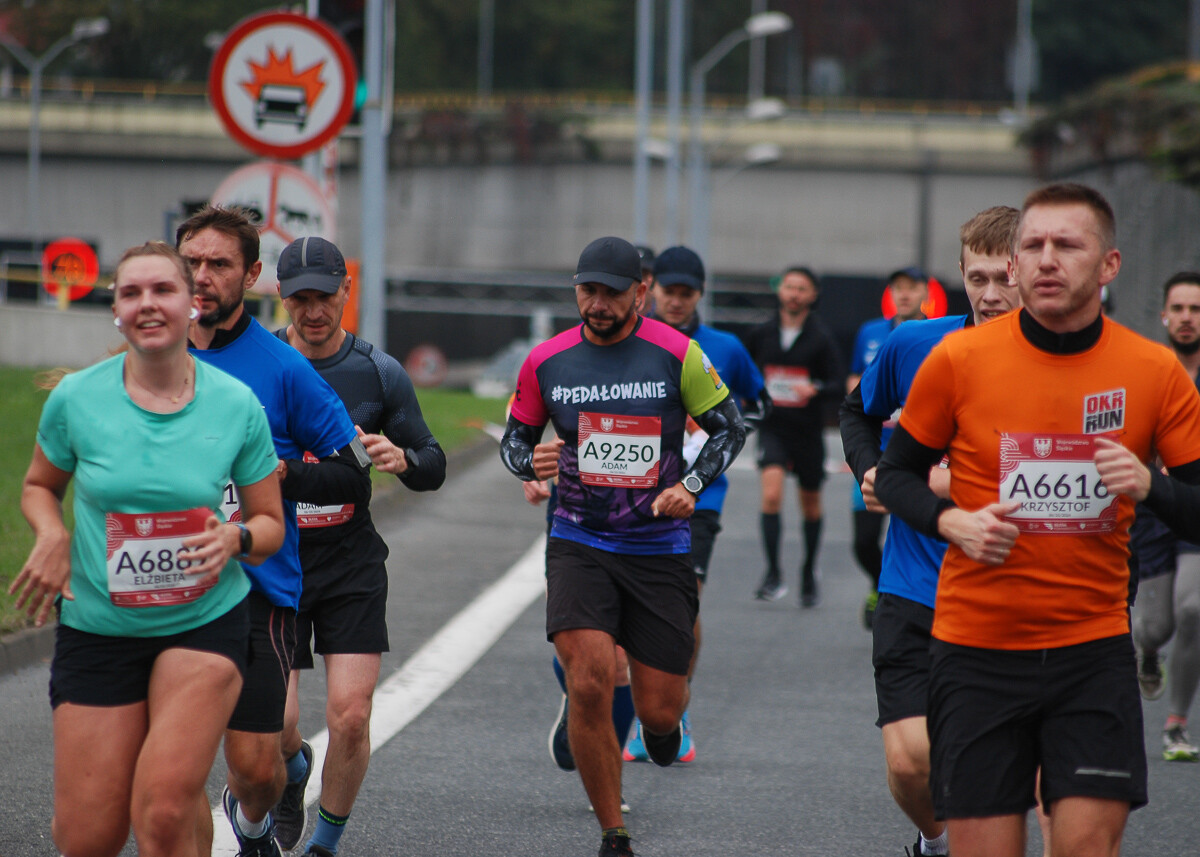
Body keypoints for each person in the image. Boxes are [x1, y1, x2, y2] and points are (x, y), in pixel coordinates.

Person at [874, 183, 1200, 857]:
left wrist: (1151, 487)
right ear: (1016, 263)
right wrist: (949, 521)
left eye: (1068, 244)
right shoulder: (956, 361)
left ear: (1109, 264)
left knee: (1083, 845)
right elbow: (897, 473)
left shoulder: (1154, 371)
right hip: (977, 649)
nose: (1047, 259)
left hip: (1092, 647)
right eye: (1034, 245)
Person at [9, 241, 284, 857]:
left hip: (203, 622)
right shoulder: (77, 399)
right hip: (99, 627)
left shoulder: (235, 405)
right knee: (87, 838)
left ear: (193, 305)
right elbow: (38, 487)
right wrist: (52, 534)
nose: (147, 304)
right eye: (131, 293)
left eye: (163, 290)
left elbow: (270, 525)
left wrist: (235, 538)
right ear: (116, 310)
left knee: (161, 813)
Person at [499, 236, 745, 857]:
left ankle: (661, 733)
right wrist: (530, 459)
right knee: (588, 679)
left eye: (612, 291)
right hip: (579, 539)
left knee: (660, 709)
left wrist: (690, 486)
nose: (598, 303)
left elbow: (730, 429)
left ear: (640, 291)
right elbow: (514, 441)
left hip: (658, 545)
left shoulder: (677, 353)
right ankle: (613, 832)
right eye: (588, 290)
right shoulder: (546, 361)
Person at [178, 206, 372, 857]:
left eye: (219, 264)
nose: (201, 276)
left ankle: (267, 800)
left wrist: (280, 476)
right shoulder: (151, 353)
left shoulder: (286, 369)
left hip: (257, 582)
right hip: (163, 583)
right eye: (191, 262)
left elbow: (352, 475)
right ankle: (253, 837)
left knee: (263, 758)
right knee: (169, 774)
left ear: (253, 274)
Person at [840, 206, 1020, 857]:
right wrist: (870, 471)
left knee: (1004, 773)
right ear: (962, 273)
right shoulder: (915, 344)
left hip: (1013, 591)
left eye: (1006, 276)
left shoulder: (1064, 360)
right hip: (916, 582)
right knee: (912, 760)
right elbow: (858, 412)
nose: (992, 293)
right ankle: (935, 840)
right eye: (979, 277)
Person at [270, 236, 448, 855]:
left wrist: (403, 458)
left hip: (350, 565)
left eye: (325, 298)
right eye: (301, 300)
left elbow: (434, 463)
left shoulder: (377, 372)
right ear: (281, 297)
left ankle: (326, 844)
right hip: (278, 563)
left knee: (350, 716)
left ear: (348, 292)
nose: (314, 312)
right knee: (279, 726)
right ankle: (293, 773)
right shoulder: (260, 365)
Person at [621, 244, 768, 764]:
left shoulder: (725, 347)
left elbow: (758, 401)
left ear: (700, 293)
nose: (677, 302)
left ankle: (671, 705)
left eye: (687, 294)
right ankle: (636, 702)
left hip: (698, 497)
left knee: (685, 601)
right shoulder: (631, 340)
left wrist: (714, 431)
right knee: (628, 605)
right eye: (669, 292)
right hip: (631, 492)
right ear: (651, 289)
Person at [1129, 271, 1200, 762]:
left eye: (1196, 309)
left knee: (1194, 610)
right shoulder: (1148, 371)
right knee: (1155, 626)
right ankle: (1150, 654)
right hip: (1153, 509)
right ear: (1164, 315)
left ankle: (1177, 723)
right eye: (1178, 309)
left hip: (1196, 506)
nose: (1187, 318)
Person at [743, 266, 844, 605]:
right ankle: (773, 572)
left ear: (812, 295)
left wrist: (813, 387)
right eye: (789, 287)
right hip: (773, 427)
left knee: (810, 505)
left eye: (802, 288)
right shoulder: (761, 333)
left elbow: (837, 384)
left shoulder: (821, 337)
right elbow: (746, 373)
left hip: (807, 431)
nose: (794, 294)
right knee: (771, 496)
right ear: (780, 291)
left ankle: (808, 570)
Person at [846, 266, 930, 629]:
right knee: (864, 541)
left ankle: (898, 597)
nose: (905, 295)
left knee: (909, 534)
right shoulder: (870, 332)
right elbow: (854, 381)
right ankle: (879, 584)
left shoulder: (936, 335)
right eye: (899, 288)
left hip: (916, 459)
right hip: (873, 452)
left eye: (912, 289)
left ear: (924, 292)